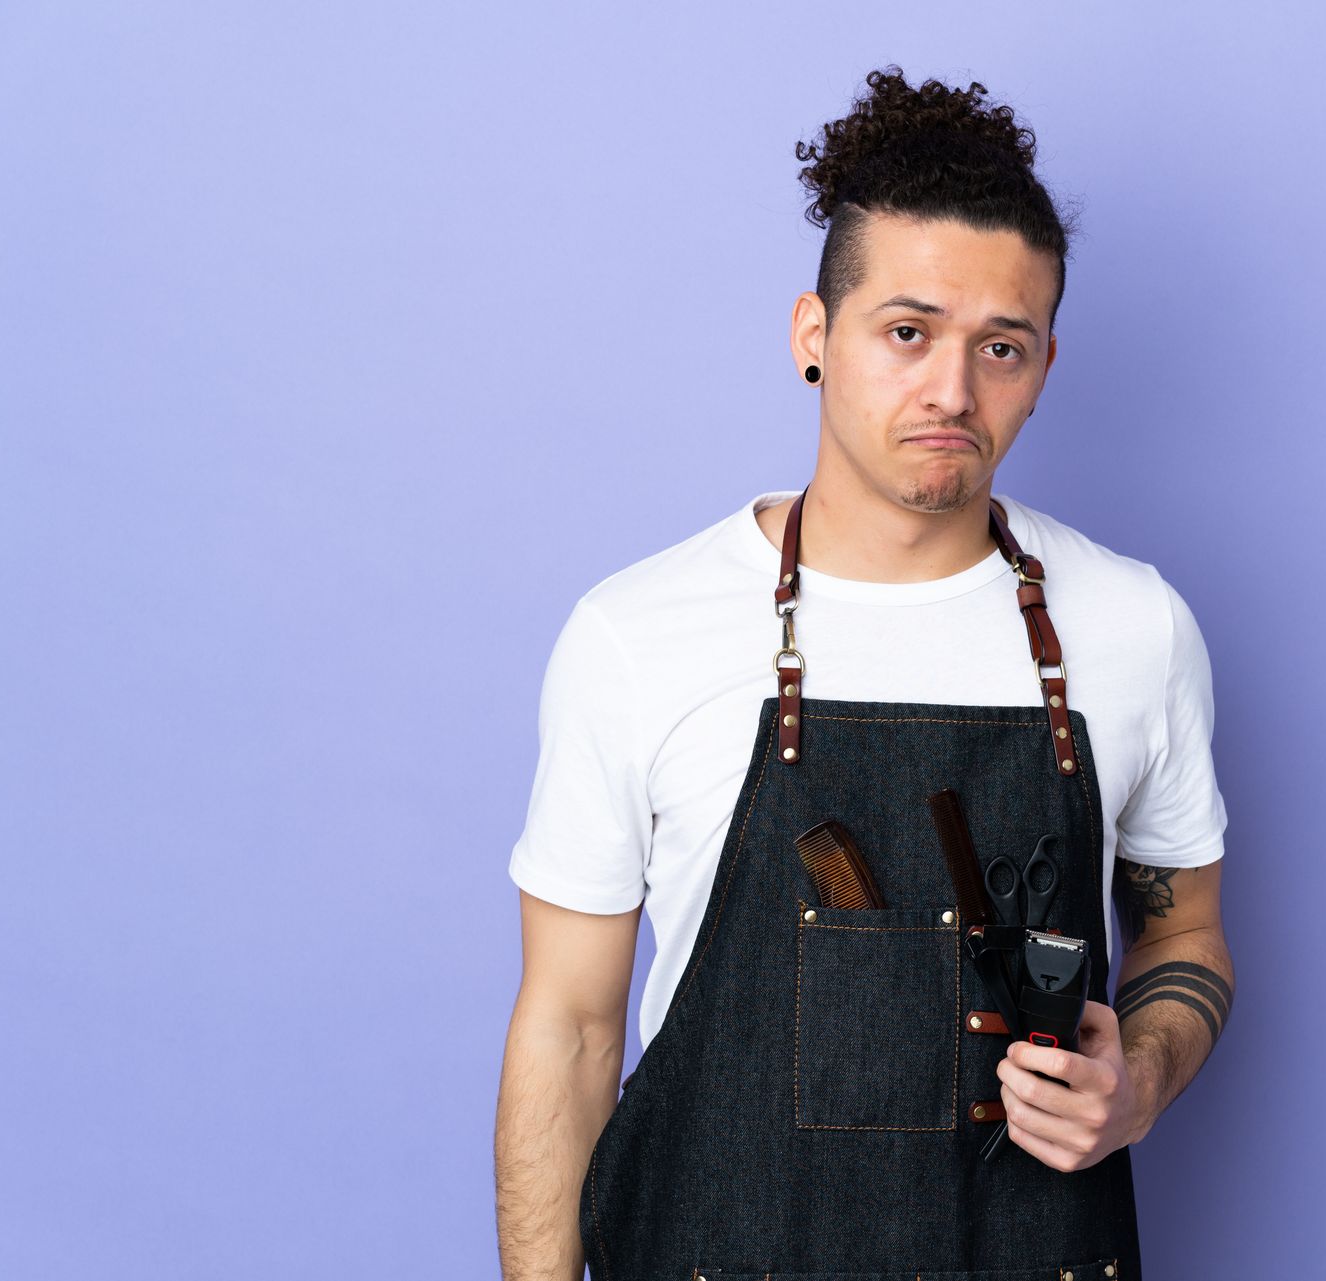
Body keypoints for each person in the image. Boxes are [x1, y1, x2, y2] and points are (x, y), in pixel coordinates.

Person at [494, 65, 1234, 1281]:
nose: (952, 389)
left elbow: (1186, 933)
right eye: (907, 332)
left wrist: (1139, 1082)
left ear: (1045, 366)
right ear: (813, 337)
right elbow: (568, 1032)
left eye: (1001, 346)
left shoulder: (1131, 628)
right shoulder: (639, 634)